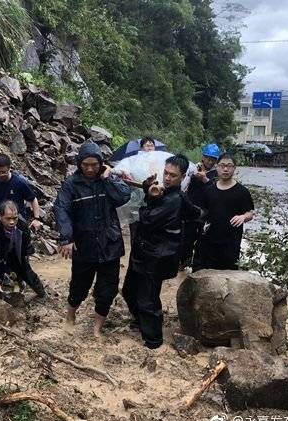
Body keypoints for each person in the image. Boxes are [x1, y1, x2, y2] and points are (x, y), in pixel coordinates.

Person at [122, 154, 202, 349]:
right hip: (144, 251)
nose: (167, 178)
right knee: (129, 291)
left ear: (183, 177)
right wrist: (147, 189)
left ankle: (153, 340)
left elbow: (147, 219)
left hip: (156, 255)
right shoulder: (168, 193)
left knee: (147, 298)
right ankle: (141, 322)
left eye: (173, 175)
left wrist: (148, 198)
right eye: (165, 173)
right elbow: (193, 212)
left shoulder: (173, 199)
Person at [54, 141, 131, 338]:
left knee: (107, 289)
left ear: (101, 164)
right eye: (85, 164)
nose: (90, 169)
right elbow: (61, 209)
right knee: (79, 286)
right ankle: (70, 317)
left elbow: (124, 196)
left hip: (110, 244)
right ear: (79, 163)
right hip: (84, 244)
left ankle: (97, 328)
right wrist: (66, 237)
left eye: (94, 165)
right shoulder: (71, 184)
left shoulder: (109, 179)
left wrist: (108, 178)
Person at [193, 153, 254, 271]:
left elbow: (250, 213)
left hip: (230, 244)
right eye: (222, 165)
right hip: (207, 241)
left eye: (229, 166)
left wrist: (243, 217)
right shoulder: (209, 190)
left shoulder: (242, 191)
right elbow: (202, 213)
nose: (225, 169)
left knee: (227, 277)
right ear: (217, 167)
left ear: (234, 168)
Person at [0, 200, 46, 299]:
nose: (12, 222)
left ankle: (43, 294)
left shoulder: (22, 225)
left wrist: (29, 251)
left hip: (15, 255)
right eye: (8, 219)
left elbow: (26, 241)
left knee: (28, 273)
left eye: (14, 218)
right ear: (0, 217)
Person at [180, 143, 220, 266]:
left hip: (206, 212)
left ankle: (197, 264)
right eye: (208, 158)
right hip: (190, 210)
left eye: (213, 159)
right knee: (186, 238)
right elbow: (183, 185)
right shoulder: (192, 169)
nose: (210, 161)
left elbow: (218, 192)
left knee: (202, 240)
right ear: (203, 157)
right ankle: (184, 261)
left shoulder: (216, 175)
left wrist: (205, 180)